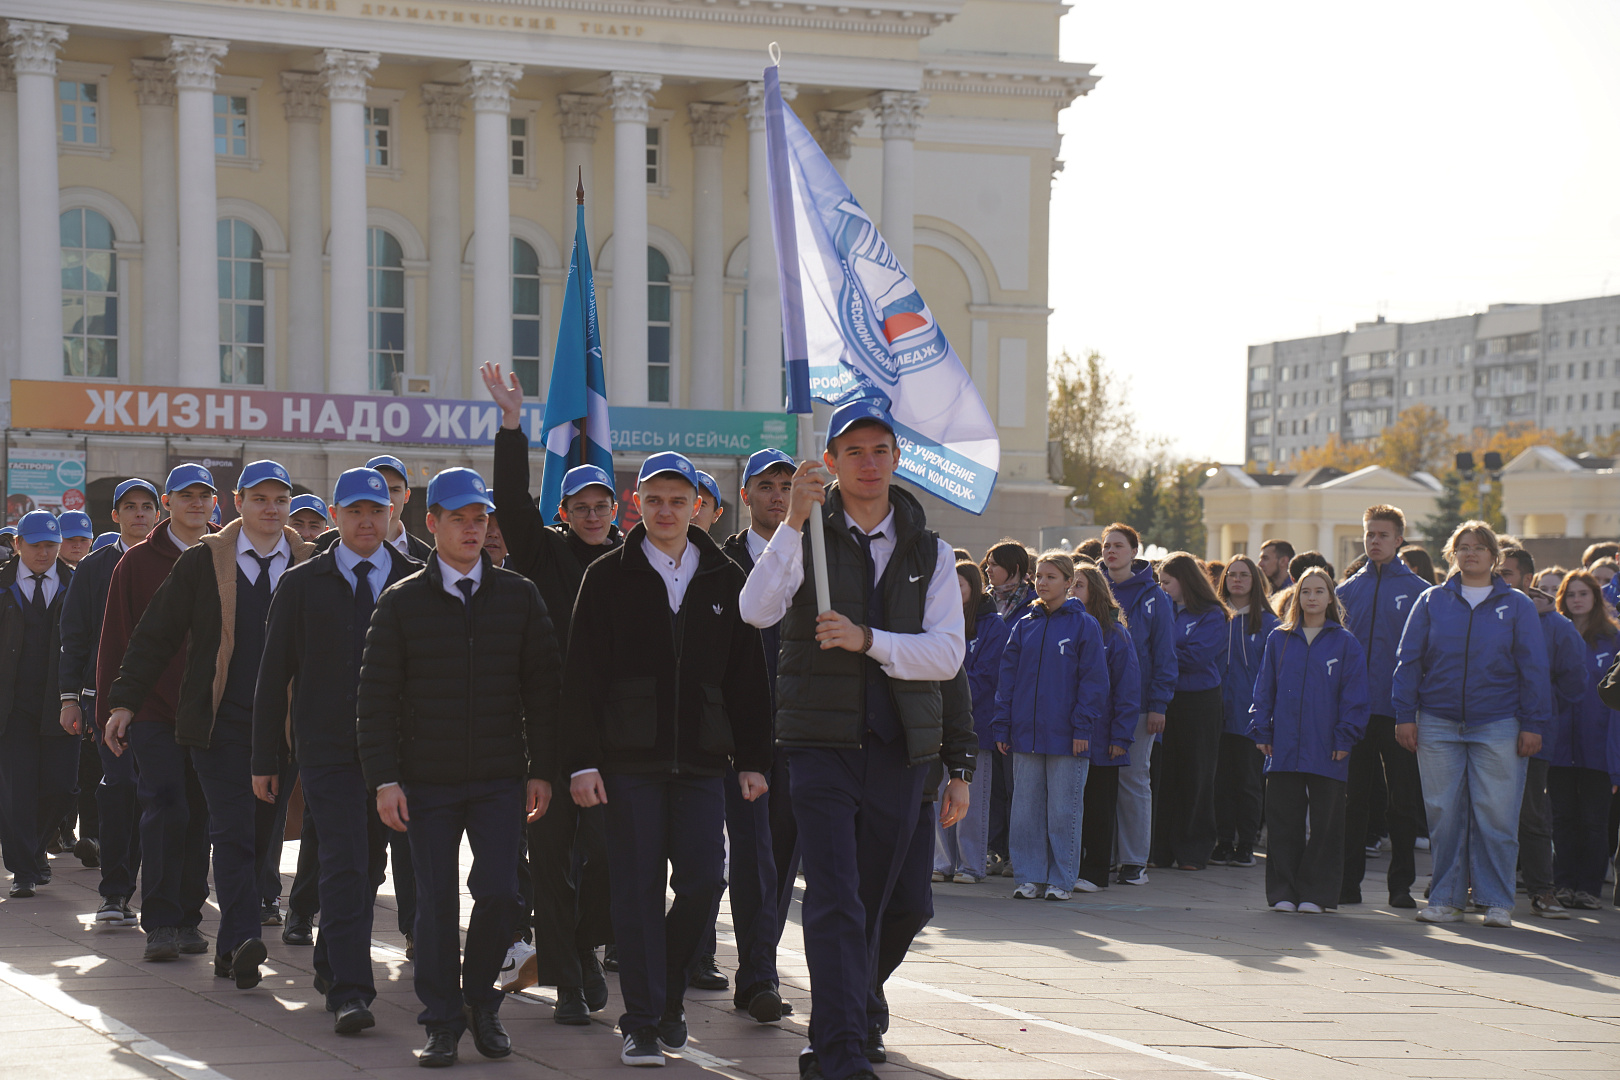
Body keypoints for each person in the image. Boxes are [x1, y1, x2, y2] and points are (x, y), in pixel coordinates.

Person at [739, 400, 967, 1080]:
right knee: (836, 899)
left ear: (897, 459)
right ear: (831, 461)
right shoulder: (807, 534)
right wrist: (793, 523)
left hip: (900, 751)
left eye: (880, 451)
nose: (868, 464)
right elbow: (757, 610)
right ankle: (837, 1050)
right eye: (854, 451)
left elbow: (947, 655)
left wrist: (869, 641)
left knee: (900, 904)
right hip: (818, 744)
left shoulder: (929, 550)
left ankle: (856, 1001)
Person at [563, 451, 773, 1067]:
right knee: (635, 892)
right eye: (654, 500)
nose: (666, 510)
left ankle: (669, 999)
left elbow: (747, 678)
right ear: (638, 505)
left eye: (678, 501)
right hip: (630, 765)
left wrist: (754, 758)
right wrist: (581, 762)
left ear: (698, 508)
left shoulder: (727, 577)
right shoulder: (606, 577)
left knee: (706, 883)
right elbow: (581, 678)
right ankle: (642, 1022)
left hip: (704, 763)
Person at [358, 466, 562, 1069]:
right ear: (431, 524)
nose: (473, 530)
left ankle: (481, 1002)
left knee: (501, 894)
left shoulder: (519, 597)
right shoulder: (401, 603)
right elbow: (374, 699)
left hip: (500, 779)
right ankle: (442, 1022)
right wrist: (385, 779)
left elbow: (544, 692)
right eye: (459, 519)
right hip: (427, 781)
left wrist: (542, 768)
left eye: (480, 519)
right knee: (435, 907)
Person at [107, 460, 310, 991]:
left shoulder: (310, 562)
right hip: (220, 722)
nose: (270, 509)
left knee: (264, 835)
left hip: (283, 729)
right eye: (259, 498)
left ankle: (228, 952)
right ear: (237, 502)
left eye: (280, 500)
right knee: (232, 831)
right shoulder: (205, 561)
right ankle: (242, 939)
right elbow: (155, 632)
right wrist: (124, 701)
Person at [253, 467, 419, 1033]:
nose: (367, 521)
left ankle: (330, 960)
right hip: (325, 751)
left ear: (392, 515)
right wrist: (265, 761)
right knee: (346, 863)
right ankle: (352, 991)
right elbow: (274, 676)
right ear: (335, 517)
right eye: (354, 512)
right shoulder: (302, 584)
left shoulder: (416, 580)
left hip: (395, 755)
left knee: (369, 865)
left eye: (376, 511)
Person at [482, 360, 618, 1021]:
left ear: (617, 511)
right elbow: (509, 504)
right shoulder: (544, 556)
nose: (592, 515)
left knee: (610, 862)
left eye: (602, 506)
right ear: (564, 513)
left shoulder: (633, 565)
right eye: (580, 507)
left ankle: (582, 952)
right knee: (551, 860)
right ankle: (569, 982)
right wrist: (513, 424)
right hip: (547, 737)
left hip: (616, 739)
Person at [1392, 520, 1551, 928]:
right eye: (1463, 547)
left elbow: (1533, 668)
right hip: (1437, 723)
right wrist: (1404, 716)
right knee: (1444, 816)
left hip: (1498, 723)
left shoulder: (1516, 604)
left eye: (1479, 547)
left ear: (1494, 556)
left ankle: (1497, 901)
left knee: (1496, 816)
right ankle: (1445, 898)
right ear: (1452, 554)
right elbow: (1409, 661)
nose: (1471, 553)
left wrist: (1533, 723)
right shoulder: (1431, 600)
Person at [98, 464, 218, 962]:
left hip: (212, 708)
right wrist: (116, 706)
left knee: (200, 813)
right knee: (165, 803)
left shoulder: (228, 555)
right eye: (185, 496)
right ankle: (162, 922)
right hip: (152, 708)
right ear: (167, 504)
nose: (196, 503)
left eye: (204, 496)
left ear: (217, 503)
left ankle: (190, 917)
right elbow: (117, 638)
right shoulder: (138, 562)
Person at [711, 446, 798, 1020]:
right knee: (750, 854)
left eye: (786, 485)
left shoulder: (816, 558)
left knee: (784, 857)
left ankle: (759, 963)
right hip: (741, 738)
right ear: (746, 496)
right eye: (765, 486)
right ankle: (757, 974)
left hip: (801, 733)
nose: (776, 495)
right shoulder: (722, 563)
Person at [58, 478, 161, 924]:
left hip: (163, 701)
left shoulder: (180, 560)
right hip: (104, 698)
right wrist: (70, 699)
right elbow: (75, 637)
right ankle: (115, 892)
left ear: (159, 513)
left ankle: (161, 897)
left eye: (147, 507)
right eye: (130, 507)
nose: (140, 514)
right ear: (115, 515)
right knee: (119, 788)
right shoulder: (95, 567)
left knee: (160, 794)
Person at [1248, 567, 1370, 912]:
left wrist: (1345, 737)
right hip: (1283, 745)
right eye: (1305, 591)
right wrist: (1263, 730)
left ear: (1331, 598)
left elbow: (1355, 697)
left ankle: (1317, 894)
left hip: (1328, 747)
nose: (1312, 597)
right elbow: (1264, 689)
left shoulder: (1345, 643)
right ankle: (1284, 892)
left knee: (1326, 823)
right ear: (1297, 597)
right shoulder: (1279, 639)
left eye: (1319, 591)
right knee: (1283, 821)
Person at [991, 552, 1107, 901]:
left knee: (1063, 810)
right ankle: (1029, 876)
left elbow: (1094, 682)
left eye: (1051, 577)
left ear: (1069, 582)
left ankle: (1061, 879)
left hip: (1068, 736)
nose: (1041, 582)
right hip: (1025, 734)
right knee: (1025, 809)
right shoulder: (1025, 624)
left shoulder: (1085, 625)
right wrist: (1003, 726)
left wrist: (1082, 729)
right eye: (1038, 576)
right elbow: (1007, 679)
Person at [1335, 505, 1430, 908]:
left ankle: (1400, 887)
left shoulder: (1419, 592)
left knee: (1402, 802)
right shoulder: (1345, 591)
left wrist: (1412, 710)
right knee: (1353, 800)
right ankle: (1347, 883)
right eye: (1369, 534)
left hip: (1398, 713)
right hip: (1356, 713)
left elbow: (1426, 656)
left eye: (1383, 535)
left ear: (1398, 540)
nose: (1374, 541)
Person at [1498, 548, 1582, 920]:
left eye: (1508, 574)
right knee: (1479, 810)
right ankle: (1470, 886)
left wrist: (1540, 716)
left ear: (1527, 579)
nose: (1500, 580)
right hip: (1485, 729)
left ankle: (1542, 891)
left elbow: (1575, 683)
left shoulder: (1557, 627)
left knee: (1532, 814)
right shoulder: (1484, 615)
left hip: (1532, 735)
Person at [0, 511, 76, 899]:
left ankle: (33, 850)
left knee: (62, 788)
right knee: (17, 790)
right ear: (18, 545)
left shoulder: (75, 584)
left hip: (60, 704)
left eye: (51, 545)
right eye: (35, 545)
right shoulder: (1, 584)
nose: (44, 553)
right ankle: (24, 870)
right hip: (11, 708)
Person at [1100, 522, 1177, 886]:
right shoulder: (1091, 589)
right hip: (1097, 704)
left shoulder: (1153, 597)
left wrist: (1159, 703)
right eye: (1106, 546)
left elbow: (1164, 654)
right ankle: (1104, 856)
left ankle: (1133, 861)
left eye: (1118, 545)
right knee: (1100, 781)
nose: (1111, 551)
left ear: (1134, 551)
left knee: (1133, 779)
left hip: (1140, 704)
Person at [1151, 552, 1230, 871]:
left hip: (1199, 702)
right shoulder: (1160, 610)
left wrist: (1166, 654)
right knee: (1164, 775)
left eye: (1167, 582)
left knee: (1196, 774)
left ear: (1185, 582)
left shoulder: (1212, 613)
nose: (1162, 587)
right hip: (1167, 700)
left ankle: (1193, 849)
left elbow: (1196, 656)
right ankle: (1160, 849)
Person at [934, 561, 1008, 884]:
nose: (953, 591)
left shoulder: (993, 626)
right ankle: (941, 861)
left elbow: (987, 675)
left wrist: (952, 694)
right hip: (938, 724)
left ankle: (970, 864)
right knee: (938, 796)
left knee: (970, 800)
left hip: (976, 724)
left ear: (973, 589)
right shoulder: (939, 621)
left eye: (960, 586)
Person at [1069, 559, 1138, 892]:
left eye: (1078, 585)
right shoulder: (1063, 628)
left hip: (1103, 737)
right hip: (1068, 738)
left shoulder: (1116, 635)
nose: (1071, 591)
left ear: (1094, 591)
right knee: (1070, 807)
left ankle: (1095, 872)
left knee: (1098, 808)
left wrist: (1121, 736)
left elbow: (1127, 689)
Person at [1550, 570, 1616, 911]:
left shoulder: (1612, 639)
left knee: (1594, 821)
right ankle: (1562, 883)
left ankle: (1589, 887)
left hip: (1598, 746)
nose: (1577, 599)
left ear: (1595, 598)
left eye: (1583, 593)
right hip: (1559, 744)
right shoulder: (1554, 634)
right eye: (1571, 593)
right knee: (1561, 819)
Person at [1213, 555, 1277, 868]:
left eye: (1244, 575)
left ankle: (1246, 844)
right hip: (1216, 714)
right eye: (1231, 575)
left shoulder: (1269, 623)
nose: (1237, 580)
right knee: (1220, 781)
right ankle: (1224, 841)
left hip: (1251, 717)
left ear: (1255, 581)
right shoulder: (1214, 617)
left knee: (1248, 782)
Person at [979, 539, 1033, 875]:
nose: (988, 570)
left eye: (994, 564)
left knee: (1017, 784)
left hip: (1019, 704)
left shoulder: (1032, 605)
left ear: (1014, 568)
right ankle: (992, 848)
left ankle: (1017, 850)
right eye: (986, 564)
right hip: (987, 704)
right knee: (992, 785)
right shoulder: (982, 604)